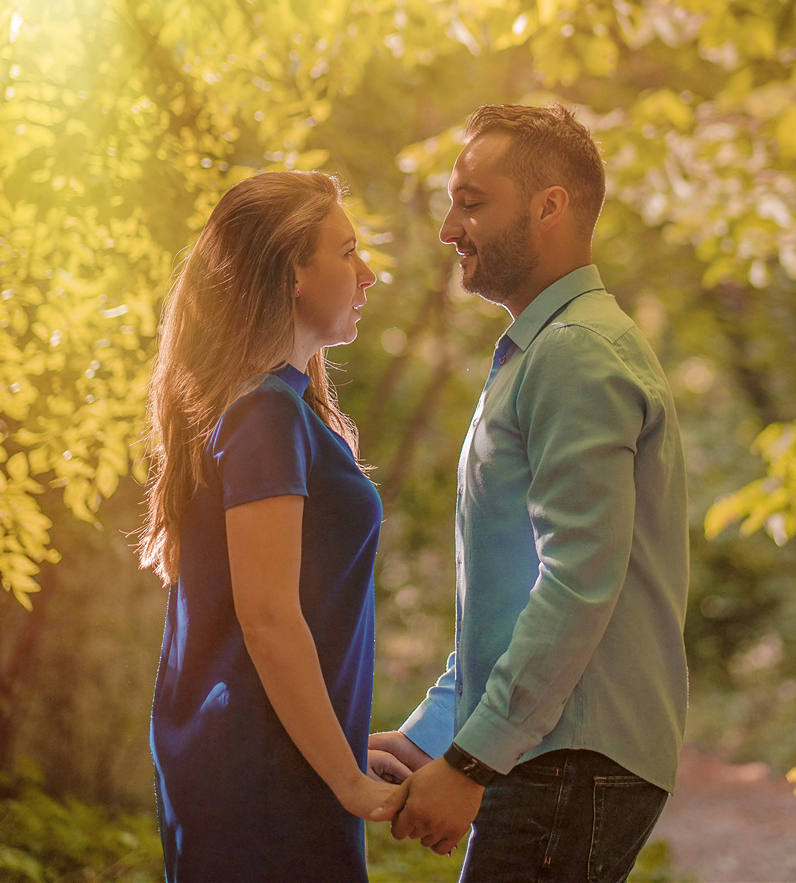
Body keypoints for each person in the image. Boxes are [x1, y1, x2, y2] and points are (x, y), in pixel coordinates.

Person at [370, 104, 689, 883]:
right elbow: (514, 589)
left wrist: (472, 761)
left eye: (472, 202)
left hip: (568, 759)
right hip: (553, 755)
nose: (449, 228)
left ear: (551, 207)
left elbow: (578, 582)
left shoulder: (577, 355)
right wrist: (433, 735)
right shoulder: (542, 351)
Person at [139, 170, 409, 882]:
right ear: (293, 269)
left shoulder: (277, 409)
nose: (368, 274)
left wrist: (344, 747)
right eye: (347, 252)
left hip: (270, 760)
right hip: (258, 775)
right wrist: (348, 783)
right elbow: (265, 617)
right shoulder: (266, 414)